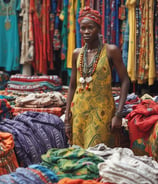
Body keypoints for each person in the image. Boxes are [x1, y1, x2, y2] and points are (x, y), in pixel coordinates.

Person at [64, 7, 130, 148]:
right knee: (79, 154)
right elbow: (72, 86)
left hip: (102, 112)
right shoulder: (77, 53)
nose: (86, 32)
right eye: (83, 28)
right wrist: (67, 116)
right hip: (79, 112)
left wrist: (118, 114)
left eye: (90, 27)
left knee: (98, 154)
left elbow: (125, 80)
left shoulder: (111, 51)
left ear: (98, 28)